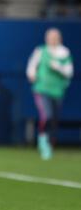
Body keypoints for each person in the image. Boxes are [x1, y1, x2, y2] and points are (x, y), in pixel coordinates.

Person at [26, 28, 73, 160]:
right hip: (42, 89)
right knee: (46, 115)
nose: (52, 39)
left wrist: (57, 66)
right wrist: (32, 74)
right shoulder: (40, 50)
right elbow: (31, 67)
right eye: (49, 37)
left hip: (58, 90)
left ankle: (50, 143)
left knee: (54, 119)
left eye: (54, 37)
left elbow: (69, 72)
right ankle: (43, 143)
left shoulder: (64, 52)